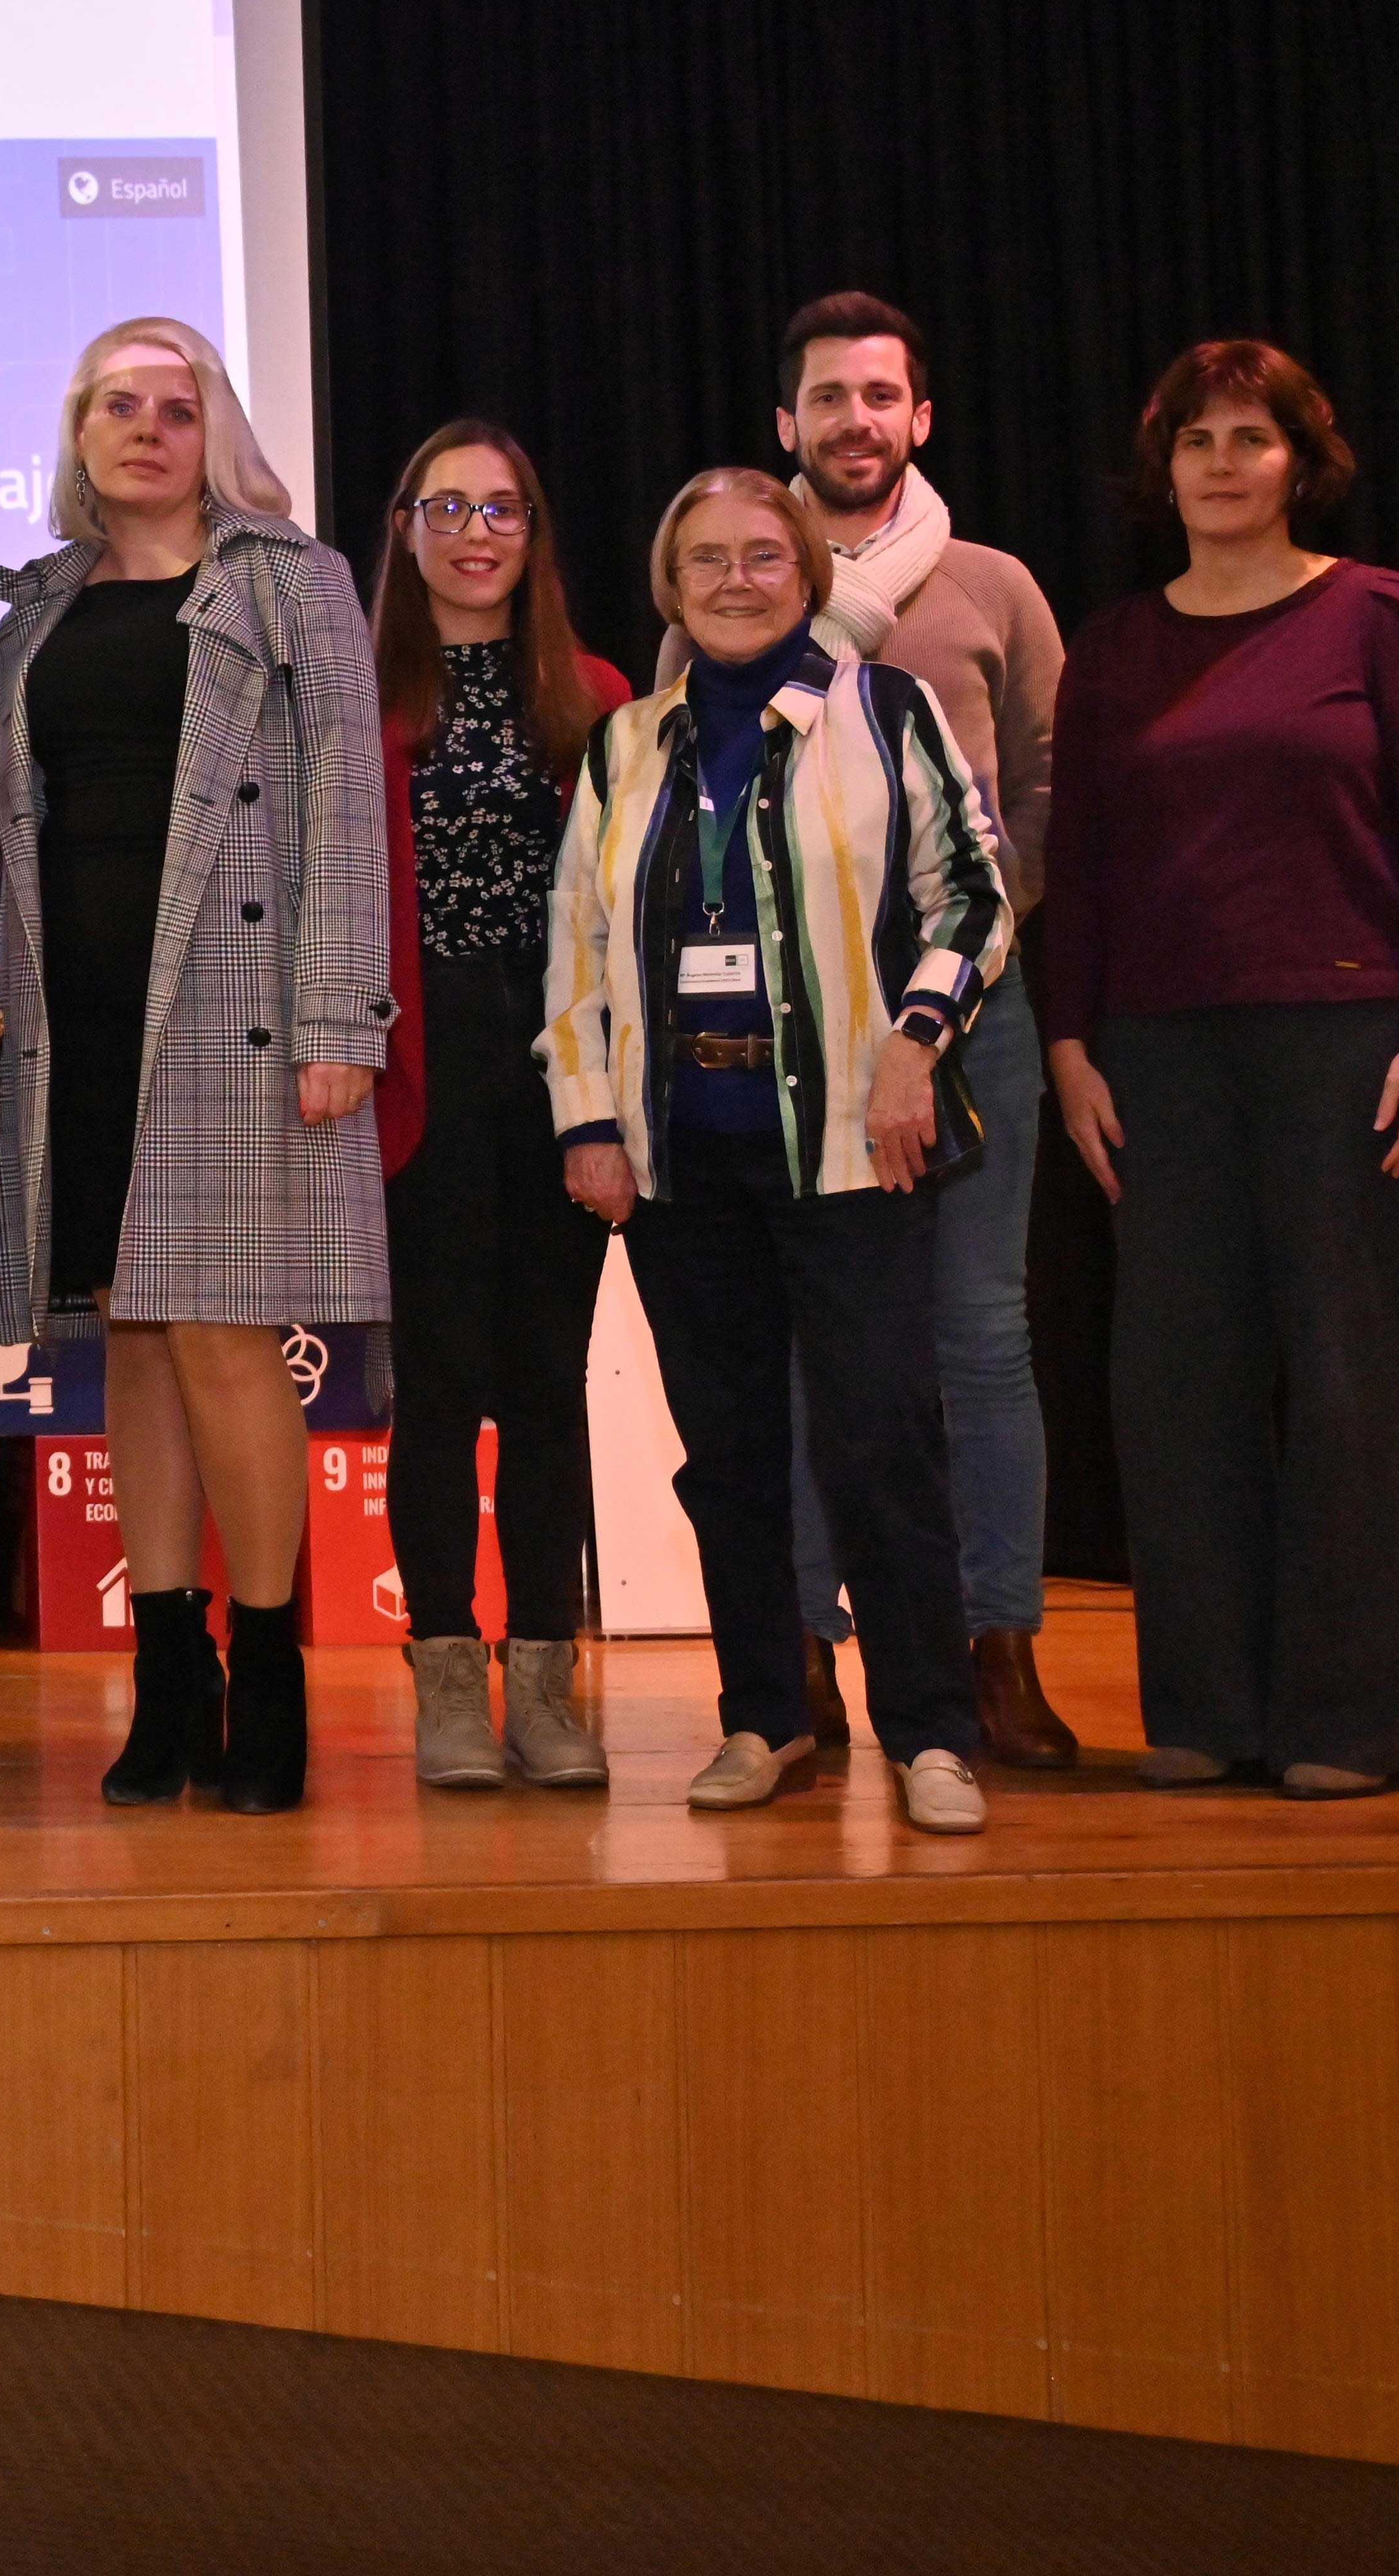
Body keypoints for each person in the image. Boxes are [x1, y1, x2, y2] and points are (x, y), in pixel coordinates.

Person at [1037, 342, 1399, 1798]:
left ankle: (1349, 1722)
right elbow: (1085, 868)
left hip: (1350, 1041)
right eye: (1196, 441)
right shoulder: (1112, 647)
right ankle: (1208, 1707)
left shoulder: (1385, 619)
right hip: (1157, 1055)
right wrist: (1068, 1042)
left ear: (1304, 460)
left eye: (1252, 437)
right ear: (1159, 471)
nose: (1222, 463)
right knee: (1176, 1383)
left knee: (1356, 1381)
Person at [541, 470, 1011, 1830]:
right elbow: (575, 943)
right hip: (687, 1155)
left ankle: (930, 1731)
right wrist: (587, 1116)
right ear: (668, 584)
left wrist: (919, 1042)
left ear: (805, 566)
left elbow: (973, 898)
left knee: (881, 1441)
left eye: (761, 554)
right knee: (727, 1455)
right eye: (705, 560)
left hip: (859, 1148)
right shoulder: (627, 743)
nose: (735, 579)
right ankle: (767, 1717)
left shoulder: (890, 711)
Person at [0, 320, 390, 1815]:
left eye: (174, 404)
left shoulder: (292, 583)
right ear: (78, 430)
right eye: (114, 404)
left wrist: (344, 1015)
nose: (143, 428)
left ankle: (268, 1680)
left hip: (238, 1010)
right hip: (78, 1016)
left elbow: (346, 809)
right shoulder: (33, 611)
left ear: (213, 428)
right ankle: (170, 1683)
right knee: (126, 1344)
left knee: (219, 1338)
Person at [757, 292, 1080, 1771]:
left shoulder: (998, 589)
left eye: (881, 396)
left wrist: (991, 980)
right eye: (829, 398)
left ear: (921, 418)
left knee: (983, 1337)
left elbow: (1043, 806)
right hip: (799, 1028)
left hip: (980, 1021)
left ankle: (997, 1648)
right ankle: (813, 1667)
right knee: (820, 1354)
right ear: (788, 425)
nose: (856, 422)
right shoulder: (739, 583)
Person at [369, 419, 633, 1792]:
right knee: (438, 1387)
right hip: (421, 1068)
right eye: (449, 506)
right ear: (405, 528)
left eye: (506, 510)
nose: (477, 532)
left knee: (546, 1384)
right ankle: (448, 1684)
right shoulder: (355, 694)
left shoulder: (593, 693)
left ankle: (548, 1680)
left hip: (557, 1073)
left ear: (533, 537)